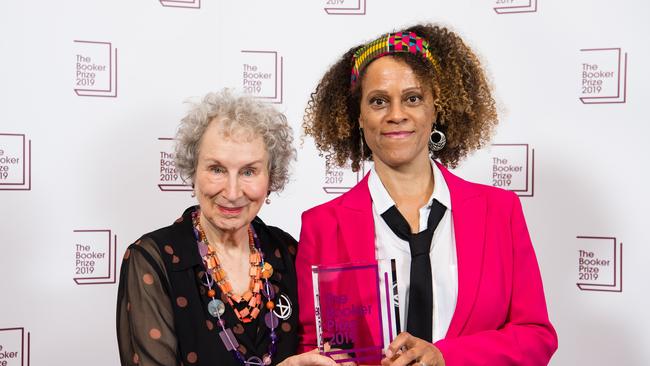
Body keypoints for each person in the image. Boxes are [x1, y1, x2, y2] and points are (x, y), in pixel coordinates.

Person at [297, 24, 558, 366]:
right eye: (378, 101)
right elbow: (313, 348)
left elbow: (536, 336)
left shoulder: (499, 211)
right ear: (358, 116)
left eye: (413, 98)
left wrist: (445, 357)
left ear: (436, 108)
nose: (396, 114)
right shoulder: (322, 225)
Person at [116, 90, 336, 366]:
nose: (232, 192)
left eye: (249, 171)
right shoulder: (153, 260)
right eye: (217, 169)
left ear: (272, 178)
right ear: (193, 171)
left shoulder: (288, 251)